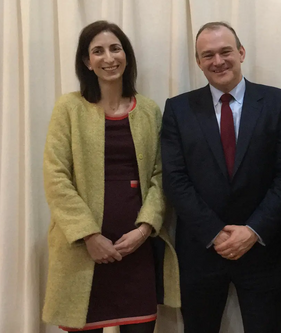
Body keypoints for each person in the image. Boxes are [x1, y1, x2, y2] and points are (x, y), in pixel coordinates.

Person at [161, 22, 281, 333]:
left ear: (241, 52)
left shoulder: (277, 102)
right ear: (198, 62)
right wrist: (214, 232)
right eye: (207, 55)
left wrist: (252, 230)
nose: (218, 61)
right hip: (201, 250)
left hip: (262, 249)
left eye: (225, 51)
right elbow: (175, 179)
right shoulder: (177, 109)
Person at [42, 20, 180, 332]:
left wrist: (144, 229)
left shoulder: (148, 110)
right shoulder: (68, 108)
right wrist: (90, 236)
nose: (109, 58)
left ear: (127, 55)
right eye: (98, 51)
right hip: (82, 253)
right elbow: (56, 176)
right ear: (86, 62)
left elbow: (161, 175)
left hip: (136, 251)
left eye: (115, 48)